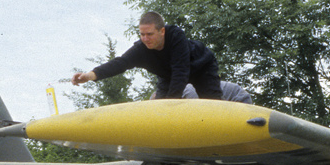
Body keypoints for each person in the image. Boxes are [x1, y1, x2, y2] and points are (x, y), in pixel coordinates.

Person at [72, 12, 223, 100]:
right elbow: (120, 63)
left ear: (162, 31)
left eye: (149, 34)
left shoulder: (176, 36)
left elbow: (181, 71)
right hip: (168, 76)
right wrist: (90, 76)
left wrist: (171, 105)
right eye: (142, 34)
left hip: (200, 67)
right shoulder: (141, 49)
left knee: (212, 102)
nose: (145, 39)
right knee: (159, 107)